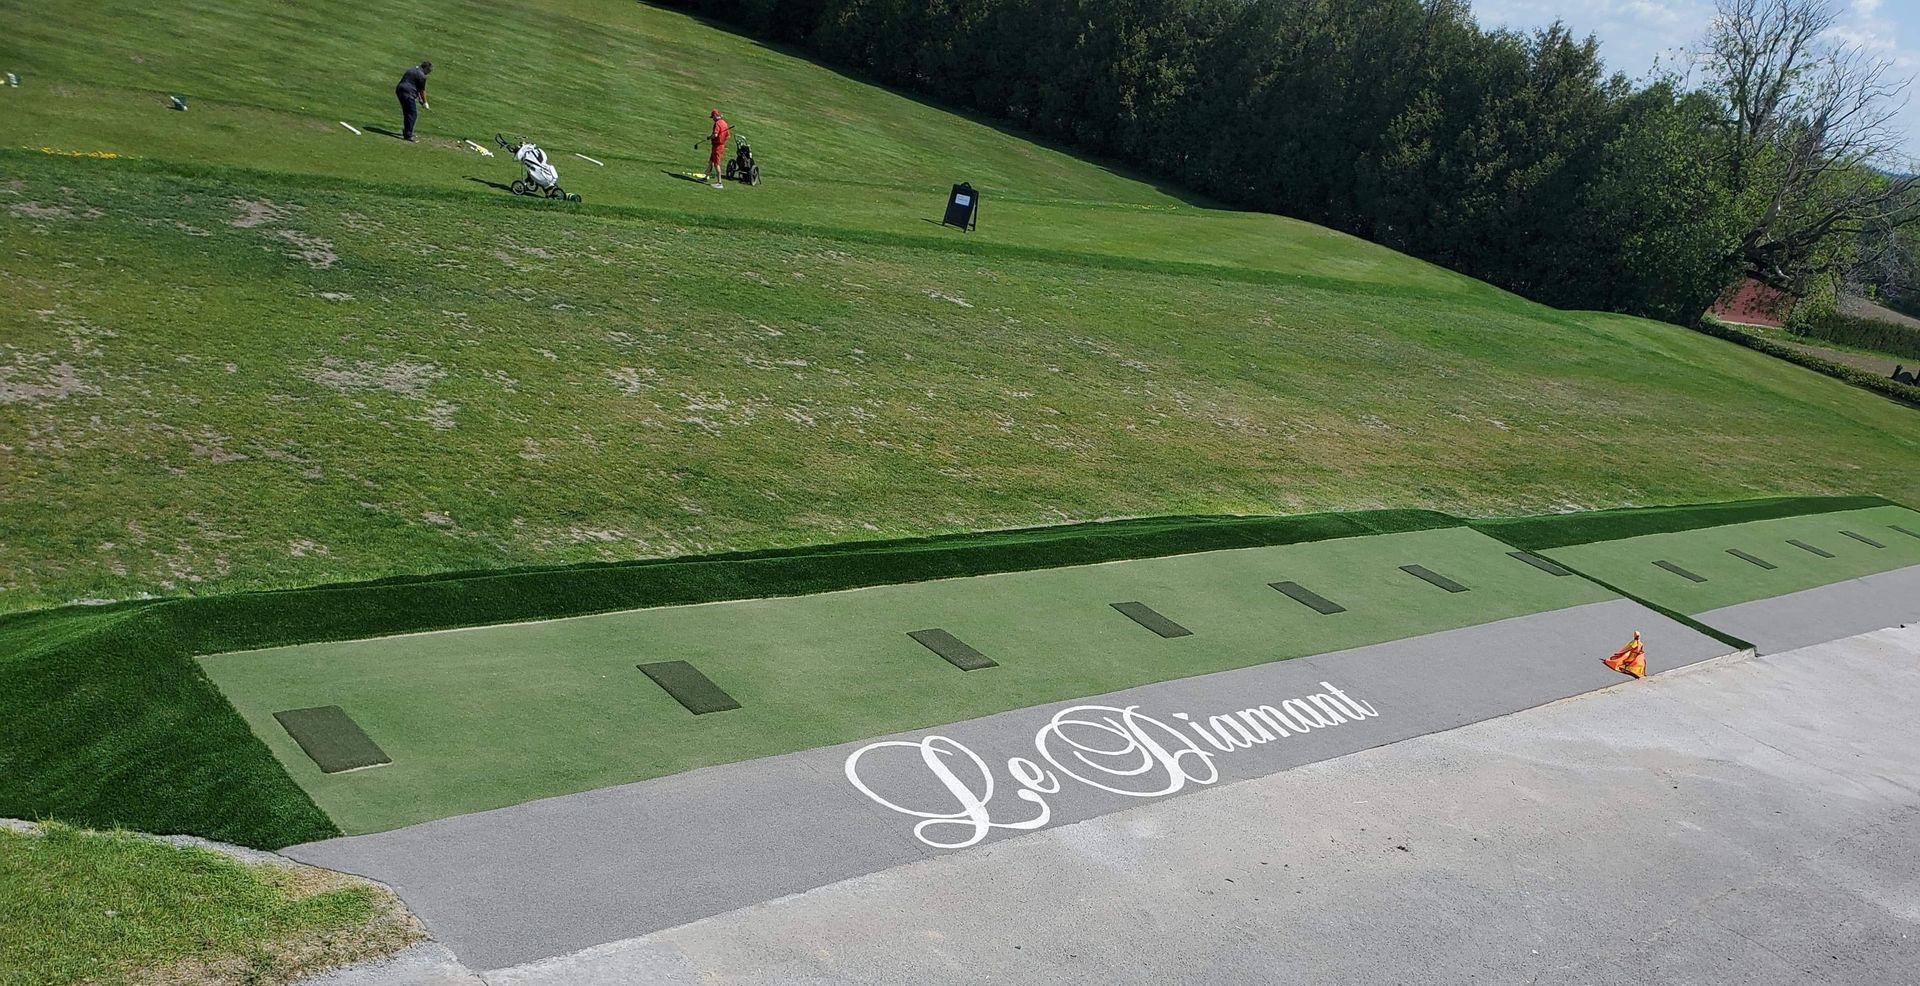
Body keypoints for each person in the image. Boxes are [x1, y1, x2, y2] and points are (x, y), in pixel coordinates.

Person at [396, 61, 432, 142]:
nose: (428, 73)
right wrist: (425, 102)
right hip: (408, 94)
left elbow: (416, 87)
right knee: (412, 114)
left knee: (407, 113)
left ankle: (407, 131)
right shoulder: (422, 76)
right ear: (426, 68)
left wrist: (420, 99)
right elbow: (422, 90)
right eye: (429, 71)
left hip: (400, 90)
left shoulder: (412, 69)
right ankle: (408, 135)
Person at [701, 109, 730, 188]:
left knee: (716, 164)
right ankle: (705, 177)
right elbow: (728, 136)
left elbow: (715, 135)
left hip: (717, 146)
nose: (713, 119)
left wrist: (710, 137)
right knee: (711, 161)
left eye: (713, 117)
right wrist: (722, 140)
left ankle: (719, 183)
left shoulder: (717, 123)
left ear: (715, 116)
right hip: (719, 145)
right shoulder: (724, 123)